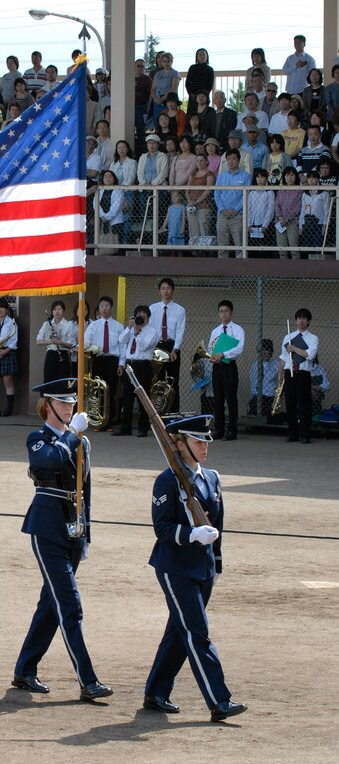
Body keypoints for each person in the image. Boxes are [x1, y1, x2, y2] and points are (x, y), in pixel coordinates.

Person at [12, 379, 113, 702]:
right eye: (63, 402)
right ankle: (87, 679)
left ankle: (25, 668)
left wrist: (86, 534)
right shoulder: (37, 438)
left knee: (50, 605)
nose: (69, 407)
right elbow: (50, 461)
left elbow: (86, 491)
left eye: (72, 403)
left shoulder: (80, 442)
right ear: (48, 405)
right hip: (46, 527)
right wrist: (72, 435)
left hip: (72, 527)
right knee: (69, 604)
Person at [143, 414, 248, 722]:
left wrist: (216, 562)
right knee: (197, 633)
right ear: (180, 444)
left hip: (202, 568)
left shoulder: (211, 478)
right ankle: (219, 700)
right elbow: (162, 529)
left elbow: (219, 524)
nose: (205, 446)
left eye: (206, 441)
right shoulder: (167, 480)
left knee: (179, 631)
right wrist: (190, 534)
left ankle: (156, 692)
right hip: (174, 567)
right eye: (198, 441)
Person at [113, 305, 157, 437]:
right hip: (130, 365)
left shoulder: (152, 332)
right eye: (138, 315)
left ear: (148, 317)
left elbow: (143, 347)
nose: (140, 318)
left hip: (143, 366)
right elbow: (121, 340)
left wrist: (138, 333)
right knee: (127, 397)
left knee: (143, 397)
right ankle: (125, 427)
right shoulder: (132, 329)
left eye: (143, 315)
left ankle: (143, 428)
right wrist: (129, 327)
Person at [278, 308, 318, 443]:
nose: (301, 320)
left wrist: (294, 349)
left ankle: (305, 434)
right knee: (290, 404)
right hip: (290, 373)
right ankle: (292, 433)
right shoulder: (288, 336)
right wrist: (280, 371)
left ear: (308, 321)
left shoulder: (313, 338)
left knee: (304, 404)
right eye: (299, 318)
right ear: (295, 320)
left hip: (303, 374)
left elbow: (310, 355)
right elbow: (284, 356)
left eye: (304, 318)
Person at [84, 296, 124, 429]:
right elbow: (86, 341)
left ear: (111, 308)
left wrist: (121, 364)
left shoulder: (118, 326)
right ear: (99, 308)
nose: (104, 309)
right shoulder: (93, 326)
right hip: (98, 360)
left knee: (111, 391)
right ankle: (98, 420)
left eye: (107, 306)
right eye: (102, 306)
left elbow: (122, 347)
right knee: (98, 390)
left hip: (112, 360)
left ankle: (110, 420)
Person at [208, 300, 245, 440]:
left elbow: (239, 349)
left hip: (229, 366)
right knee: (217, 399)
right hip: (217, 367)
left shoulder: (238, 330)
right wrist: (212, 356)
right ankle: (219, 429)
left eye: (226, 311)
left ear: (231, 312)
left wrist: (223, 354)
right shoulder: (215, 331)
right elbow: (211, 348)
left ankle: (232, 430)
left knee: (231, 399)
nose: (224, 314)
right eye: (221, 311)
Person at [149, 278, 186, 413]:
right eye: (163, 288)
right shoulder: (152, 308)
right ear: (159, 290)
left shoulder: (180, 310)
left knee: (172, 382)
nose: (166, 291)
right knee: (156, 382)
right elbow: (150, 330)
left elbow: (180, 331)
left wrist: (175, 349)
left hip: (172, 347)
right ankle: (157, 413)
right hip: (156, 347)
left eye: (168, 288)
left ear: (173, 290)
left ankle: (173, 413)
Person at [215, 149, 252, 258]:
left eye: (234, 159)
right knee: (222, 246)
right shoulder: (221, 176)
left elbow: (246, 195)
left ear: (239, 160)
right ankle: (222, 271)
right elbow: (216, 194)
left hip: (238, 216)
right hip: (222, 215)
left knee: (240, 246)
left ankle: (241, 271)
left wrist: (235, 209)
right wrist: (222, 209)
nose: (231, 161)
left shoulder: (246, 176)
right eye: (228, 159)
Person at [37, 300, 75, 382]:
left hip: (63, 355)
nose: (57, 312)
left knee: (63, 382)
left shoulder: (69, 324)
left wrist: (60, 342)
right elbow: (38, 341)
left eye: (59, 309)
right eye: (54, 309)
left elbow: (71, 344)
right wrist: (51, 341)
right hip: (51, 354)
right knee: (49, 380)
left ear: (63, 310)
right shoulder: (47, 324)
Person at [275, 166, 302, 259]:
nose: (289, 178)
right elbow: (277, 204)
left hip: (292, 222)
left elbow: (297, 206)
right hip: (280, 222)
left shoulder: (299, 190)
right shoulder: (281, 189)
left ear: (296, 177)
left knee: (294, 247)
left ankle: (296, 271)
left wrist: (287, 218)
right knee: (281, 248)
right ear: (284, 177)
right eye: (287, 175)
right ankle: (283, 271)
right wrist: (280, 217)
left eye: (292, 175)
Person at [248, 339, 279, 420]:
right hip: (257, 396)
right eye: (262, 351)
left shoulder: (276, 364)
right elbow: (252, 380)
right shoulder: (255, 364)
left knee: (270, 414)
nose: (264, 353)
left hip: (270, 396)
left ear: (270, 351)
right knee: (253, 406)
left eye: (266, 350)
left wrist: (266, 362)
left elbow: (269, 377)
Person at [185, 49, 214, 115]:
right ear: (197, 57)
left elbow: (210, 85)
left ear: (207, 57)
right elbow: (187, 83)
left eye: (204, 54)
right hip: (193, 96)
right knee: (191, 116)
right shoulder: (192, 68)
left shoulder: (210, 69)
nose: (202, 56)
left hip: (204, 97)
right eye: (200, 55)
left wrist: (203, 95)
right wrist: (191, 94)